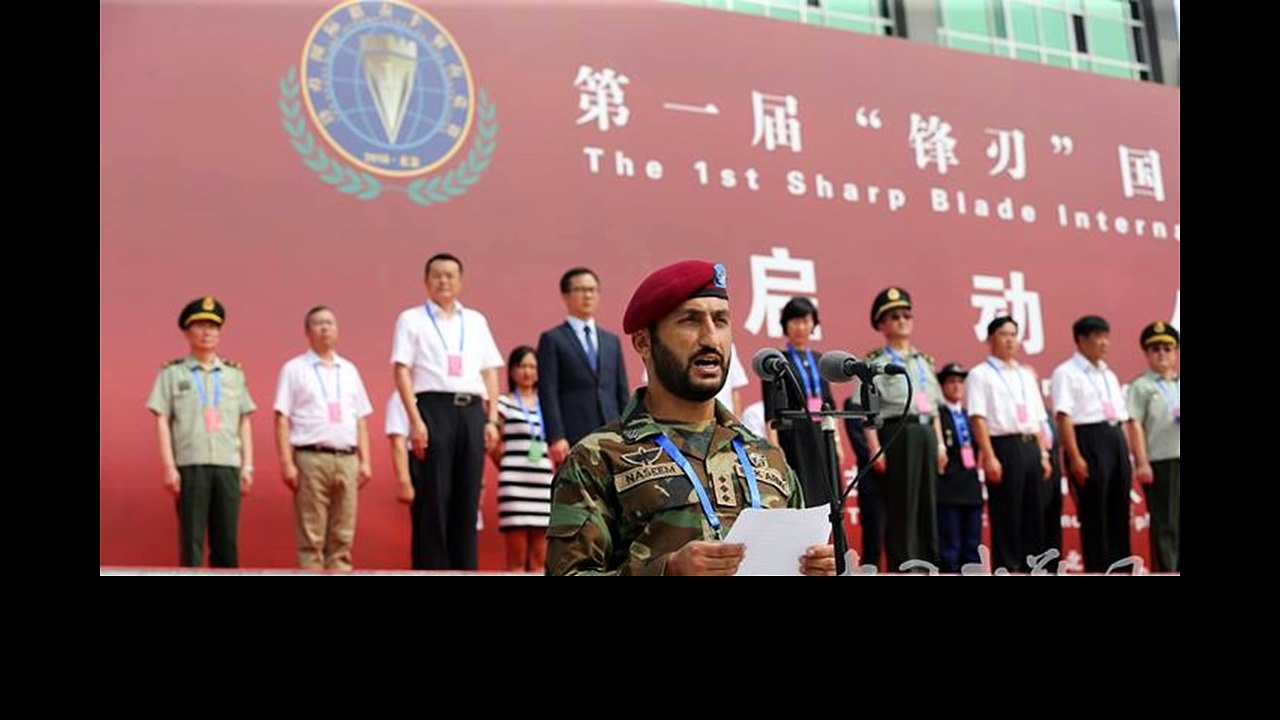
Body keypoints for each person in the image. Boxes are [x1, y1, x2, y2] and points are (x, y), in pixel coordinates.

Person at [546, 260, 836, 576]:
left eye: (721, 320)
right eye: (690, 321)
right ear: (644, 342)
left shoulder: (768, 458)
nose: (711, 338)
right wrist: (666, 571)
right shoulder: (598, 458)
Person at [391, 253, 505, 570]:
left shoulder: (476, 321)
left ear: (461, 281)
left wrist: (491, 418)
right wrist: (415, 420)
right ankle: (432, 569)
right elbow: (401, 370)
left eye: (450, 275)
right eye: (437, 275)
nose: (444, 280)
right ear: (426, 281)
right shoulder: (410, 319)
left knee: (467, 498)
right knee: (434, 497)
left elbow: (489, 373)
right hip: (432, 408)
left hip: (471, 411)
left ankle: (465, 568)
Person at [146, 296, 257, 567]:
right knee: (191, 540)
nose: (207, 332)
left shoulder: (233, 374)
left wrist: (248, 466)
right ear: (186, 331)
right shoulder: (172, 373)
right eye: (200, 326)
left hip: (227, 464)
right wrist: (169, 467)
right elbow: (162, 420)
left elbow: (244, 420)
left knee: (226, 542)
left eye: (213, 326)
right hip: (190, 463)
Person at [273, 306, 374, 570]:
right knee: (312, 536)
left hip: (347, 458)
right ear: (307, 332)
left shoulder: (350, 370)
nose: (325, 328)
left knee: (343, 536)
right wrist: (286, 463)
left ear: (337, 330)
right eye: (318, 323)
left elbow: (361, 418)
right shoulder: (294, 369)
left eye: (330, 323)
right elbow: (282, 417)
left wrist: (365, 461)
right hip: (310, 458)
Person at [861, 287, 944, 570]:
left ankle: (929, 564)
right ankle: (905, 566)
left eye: (906, 315)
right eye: (894, 316)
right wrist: (875, 448)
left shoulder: (925, 362)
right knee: (902, 505)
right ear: (881, 324)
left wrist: (941, 444)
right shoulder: (875, 362)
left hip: (926, 432)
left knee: (927, 503)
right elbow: (869, 412)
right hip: (898, 434)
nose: (902, 320)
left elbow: (934, 408)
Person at [963, 316, 1053, 572]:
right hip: (1003, 447)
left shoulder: (1026, 375)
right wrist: (989, 456)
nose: (1010, 339)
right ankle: (1008, 567)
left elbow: (1037, 418)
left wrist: (1043, 455)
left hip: (1030, 447)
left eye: (1014, 334)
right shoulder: (980, 375)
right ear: (990, 339)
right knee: (1007, 512)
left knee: (1032, 511)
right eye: (1004, 334)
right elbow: (978, 418)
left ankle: (1032, 566)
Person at [1050, 315, 1133, 573]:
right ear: (1082, 340)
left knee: (1119, 509)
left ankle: (1121, 568)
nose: (1104, 343)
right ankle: (1099, 569)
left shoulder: (1108, 373)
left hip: (1115, 439)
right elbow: (1064, 416)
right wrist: (1075, 456)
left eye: (1106, 336)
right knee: (1094, 511)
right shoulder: (1066, 373)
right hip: (1088, 440)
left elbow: (1120, 416)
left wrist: (1126, 451)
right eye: (1098, 337)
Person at [537, 268, 630, 466]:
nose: (588, 295)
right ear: (566, 295)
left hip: (611, 431)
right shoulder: (553, 339)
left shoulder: (611, 341)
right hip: (573, 432)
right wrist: (556, 436)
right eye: (581, 289)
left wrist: (627, 429)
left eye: (593, 290)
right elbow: (548, 391)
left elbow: (621, 391)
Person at [764, 297, 844, 507]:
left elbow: (829, 405)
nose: (800, 327)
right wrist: (775, 447)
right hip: (794, 436)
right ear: (785, 325)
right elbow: (771, 411)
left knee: (830, 496)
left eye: (805, 321)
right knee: (803, 495)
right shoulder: (776, 361)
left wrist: (837, 442)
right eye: (795, 321)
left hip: (821, 433)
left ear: (813, 324)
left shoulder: (821, 360)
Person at [490, 345, 555, 572]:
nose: (527, 372)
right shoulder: (503, 403)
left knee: (540, 560)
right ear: (512, 371)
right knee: (516, 560)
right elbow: (492, 442)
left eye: (532, 366)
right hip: (514, 488)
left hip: (544, 488)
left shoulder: (549, 404)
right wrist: (507, 464)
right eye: (522, 366)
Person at [1125, 321, 1180, 572]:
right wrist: (1142, 461)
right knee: (1165, 521)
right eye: (1155, 349)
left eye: (1167, 349)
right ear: (1147, 354)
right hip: (1161, 459)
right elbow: (1135, 424)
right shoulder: (1142, 386)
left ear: (1176, 352)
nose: (1162, 353)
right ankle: (1167, 570)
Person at [936, 363, 983, 573]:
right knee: (950, 547)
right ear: (942, 386)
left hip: (971, 486)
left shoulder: (970, 415)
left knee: (972, 546)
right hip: (947, 488)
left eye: (960, 382)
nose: (956, 386)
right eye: (951, 382)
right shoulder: (938, 416)